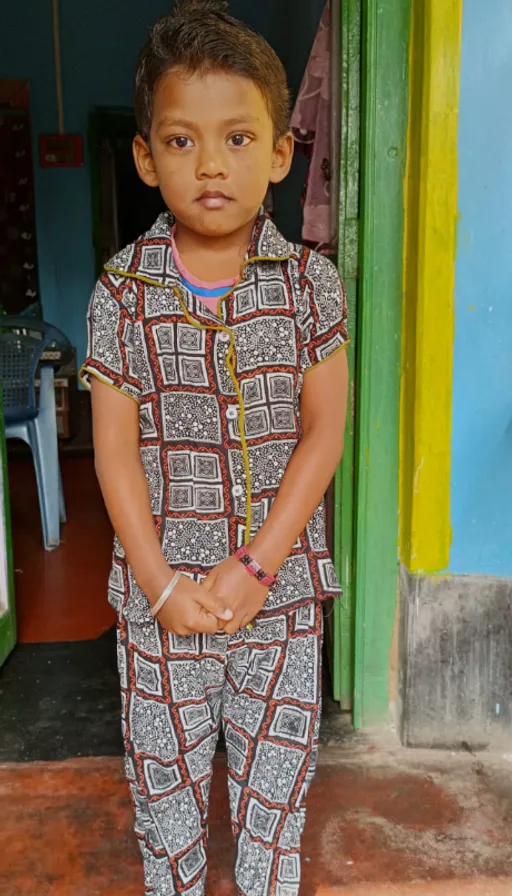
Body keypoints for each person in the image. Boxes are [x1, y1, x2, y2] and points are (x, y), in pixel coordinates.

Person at [80, 1, 349, 893]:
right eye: (183, 141)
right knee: (168, 811)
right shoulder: (120, 295)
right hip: (164, 614)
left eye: (237, 138)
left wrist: (258, 568)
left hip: (280, 605)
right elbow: (113, 452)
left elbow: (324, 432)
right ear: (147, 157)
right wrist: (158, 584)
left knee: (275, 817)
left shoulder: (311, 287)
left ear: (280, 153)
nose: (210, 165)